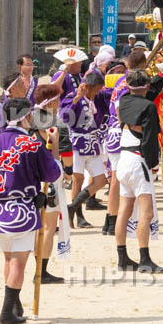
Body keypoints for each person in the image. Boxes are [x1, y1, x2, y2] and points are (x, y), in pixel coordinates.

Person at [0, 96, 60, 324]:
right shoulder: (32, 143)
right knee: (18, 262)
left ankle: (15, 305)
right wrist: (54, 145)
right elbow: (52, 173)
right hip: (24, 211)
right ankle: (7, 312)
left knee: (9, 260)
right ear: (25, 116)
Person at [114, 69, 163, 272]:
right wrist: (154, 163)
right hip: (138, 161)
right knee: (147, 212)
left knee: (124, 211)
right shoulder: (149, 107)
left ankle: (122, 257)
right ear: (147, 86)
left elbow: (145, 95)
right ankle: (144, 258)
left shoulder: (124, 101)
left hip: (123, 159)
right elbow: (149, 139)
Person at [102, 47, 147, 236]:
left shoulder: (121, 80)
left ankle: (110, 220)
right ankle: (113, 219)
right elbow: (120, 108)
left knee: (115, 179)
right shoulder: (130, 82)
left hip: (113, 131)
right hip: (121, 132)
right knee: (116, 180)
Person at [32, 80, 72, 284]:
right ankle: (42, 271)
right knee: (48, 226)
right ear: (50, 102)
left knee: (38, 227)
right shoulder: (54, 123)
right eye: (57, 99)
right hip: (49, 174)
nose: (60, 101)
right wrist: (68, 173)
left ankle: (39, 268)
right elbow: (63, 153)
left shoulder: (29, 118)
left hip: (31, 175)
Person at [63, 71, 110, 228]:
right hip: (77, 142)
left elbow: (112, 94)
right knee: (78, 179)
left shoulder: (99, 98)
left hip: (93, 143)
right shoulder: (73, 96)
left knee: (100, 180)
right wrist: (76, 99)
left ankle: (72, 207)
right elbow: (65, 117)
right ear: (87, 87)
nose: (97, 93)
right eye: (95, 90)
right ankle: (79, 217)